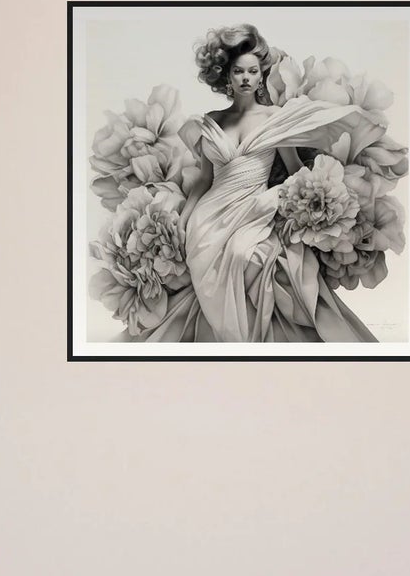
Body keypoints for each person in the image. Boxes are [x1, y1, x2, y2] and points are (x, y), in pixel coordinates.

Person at [145, 24, 383, 343]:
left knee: (246, 255)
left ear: (261, 76)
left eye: (253, 71)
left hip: (256, 209)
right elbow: (204, 179)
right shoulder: (212, 120)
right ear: (225, 76)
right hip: (209, 216)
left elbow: (295, 171)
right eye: (238, 71)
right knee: (207, 251)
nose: (245, 78)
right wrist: (184, 219)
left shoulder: (275, 118)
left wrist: (312, 204)